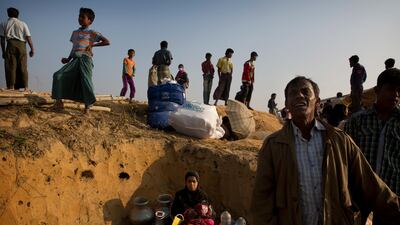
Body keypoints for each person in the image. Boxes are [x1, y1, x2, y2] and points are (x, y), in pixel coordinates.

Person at [250, 76, 400, 225]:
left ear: (316, 102)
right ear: (287, 104)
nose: (299, 95)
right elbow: (262, 200)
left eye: (305, 91)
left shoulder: (339, 140)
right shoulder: (273, 145)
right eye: (293, 93)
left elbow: (370, 184)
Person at [344, 68, 400, 224]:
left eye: (399, 91)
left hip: (391, 193)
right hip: (360, 192)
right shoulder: (357, 121)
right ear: (377, 90)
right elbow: (345, 157)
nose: (395, 95)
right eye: (390, 89)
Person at [51, 8, 110, 114]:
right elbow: (74, 47)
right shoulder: (74, 33)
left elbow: (106, 42)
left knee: (86, 82)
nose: (80, 18)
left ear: (90, 21)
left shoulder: (92, 32)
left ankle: (87, 108)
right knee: (58, 75)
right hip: (74, 59)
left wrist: (93, 44)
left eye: (83, 17)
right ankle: (59, 102)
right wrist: (68, 59)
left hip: (85, 59)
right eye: (79, 16)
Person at [0, 7, 34, 91]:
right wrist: (32, 49)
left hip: (10, 45)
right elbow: (28, 37)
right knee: (23, 67)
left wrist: (3, 51)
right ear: (17, 15)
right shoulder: (23, 23)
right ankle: (26, 87)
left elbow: (2, 39)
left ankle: (11, 86)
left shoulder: (3, 23)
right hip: (22, 45)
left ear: (8, 14)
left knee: (11, 66)